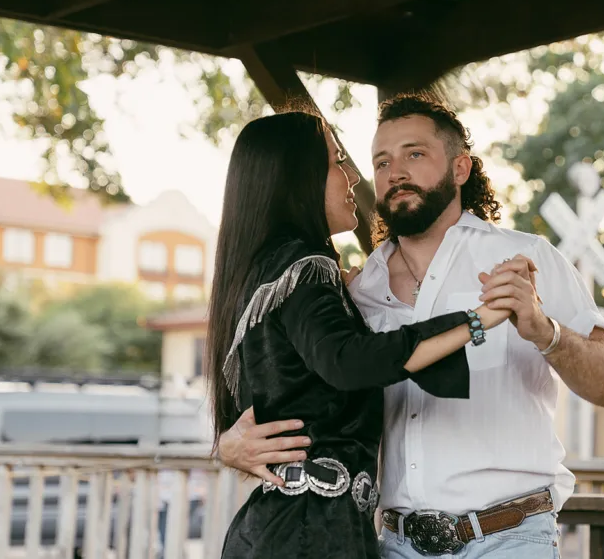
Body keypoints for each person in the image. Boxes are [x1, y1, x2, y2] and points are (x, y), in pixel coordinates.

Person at [219, 94, 604, 558]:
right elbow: (280, 375)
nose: (394, 171)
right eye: (381, 161)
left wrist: (544, 330)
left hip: (508, 540)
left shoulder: (526, 259)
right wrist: (227, 442)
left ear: (460, 169)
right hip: (392, 545)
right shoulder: (355, 290)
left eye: (414, 154)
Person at [206, 111, 513, 558]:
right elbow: (350, 362)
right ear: (299, 177)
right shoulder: (303, 268)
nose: (352, 176)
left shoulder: (273, 271)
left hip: (292, 529)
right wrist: (478, 319)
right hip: (309, 537)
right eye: (337, 162)